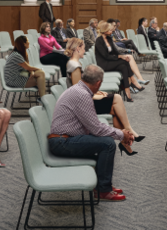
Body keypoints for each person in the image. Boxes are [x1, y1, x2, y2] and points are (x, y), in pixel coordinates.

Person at [49, 64, 137, 201]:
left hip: (64, 138)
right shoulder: (82, 95)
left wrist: (119, 133)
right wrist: (121, 134)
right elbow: (96, 128)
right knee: (107, 144)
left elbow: (93, 125)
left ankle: (102, 185)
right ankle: (103, 190)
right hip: (62, 142)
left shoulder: (78, 90)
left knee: (104, 140)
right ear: (98, 83)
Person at [64, 38, 142, 141]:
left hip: (83, 101)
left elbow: (83, 87)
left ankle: (125, 140)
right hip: (82, 106)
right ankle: (127, 132)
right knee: (117, 99)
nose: (84, 50)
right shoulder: (75, 66)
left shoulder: (74, 63)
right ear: (78, 49)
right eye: (83, 48)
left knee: (115, 107)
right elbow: (79, 93)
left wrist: (97, 93)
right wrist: (97, 95)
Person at [95, 21, 147, 100]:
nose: (112, 31)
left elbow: (115, 51)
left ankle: (127, 90)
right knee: (123, 62)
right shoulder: (99, 41)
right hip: (103, 64)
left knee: (124, 65)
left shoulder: (109, 38)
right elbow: (105, 56)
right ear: (104, 31)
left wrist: (123, 56)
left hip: (110, 61)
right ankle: (133, 82)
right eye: (109, 30)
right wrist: (120, 57)